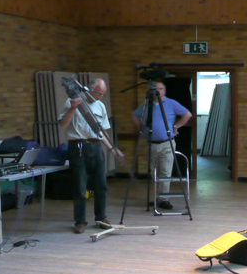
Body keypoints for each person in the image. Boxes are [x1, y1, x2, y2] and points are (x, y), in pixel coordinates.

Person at [59, 78, 123, 234]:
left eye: (103, 94)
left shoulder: (100, 106)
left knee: (101, 185)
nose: (100, 97)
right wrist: (73, 108)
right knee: (80, 186)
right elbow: (63, 125)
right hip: (78, 145)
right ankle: (80, 221)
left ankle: (101, 218)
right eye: (98, 93)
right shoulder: (72, 101)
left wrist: (113, 149)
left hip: (95, 146)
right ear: (89, 89)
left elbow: (103, 131)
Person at [132, 81, 192, 209]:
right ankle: (156, 197)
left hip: (167, 144)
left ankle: (164, 199)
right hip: (151, 144)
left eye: (161, 88)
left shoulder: (171, 103)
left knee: (165, 172)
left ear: (164, 90)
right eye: (155, 88)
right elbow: (135, 115)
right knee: (153, 172)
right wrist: (141, 129)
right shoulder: (147, 104)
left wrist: (176, 126)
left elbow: (188, 115)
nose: (158, 91)